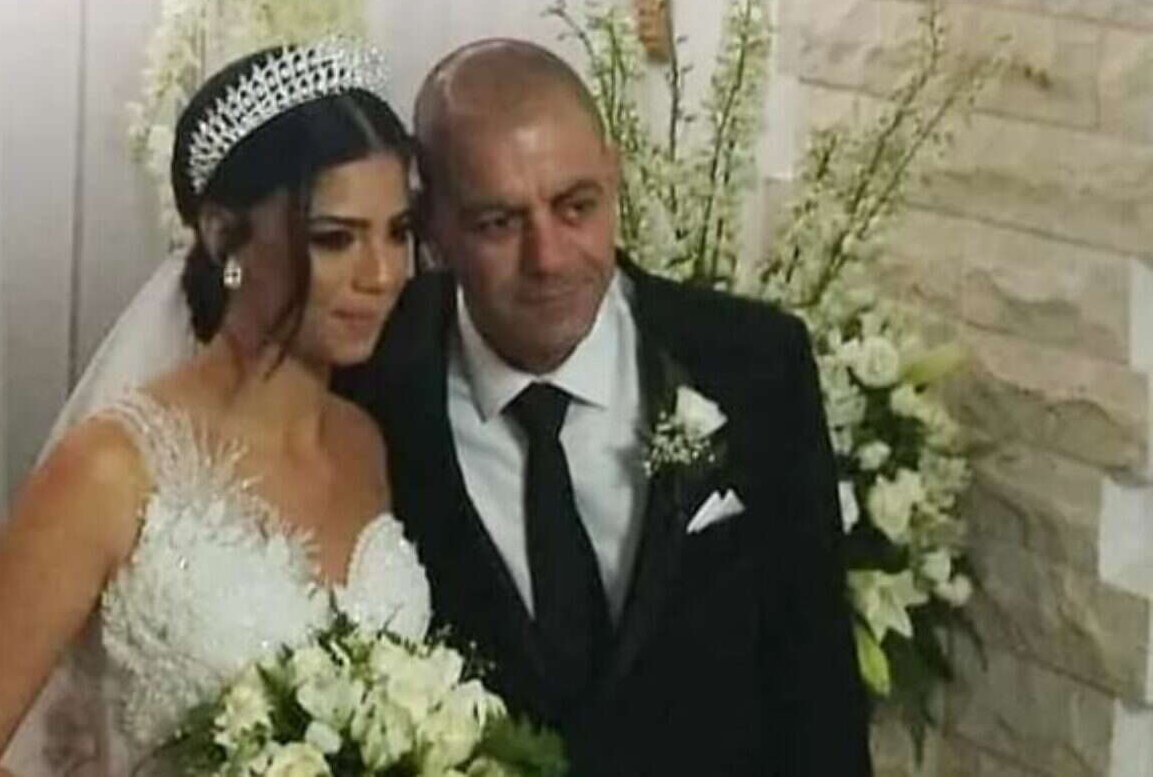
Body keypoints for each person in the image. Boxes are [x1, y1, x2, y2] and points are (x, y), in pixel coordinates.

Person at [0, 38, 431, 776]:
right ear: (223, 234)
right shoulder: (111, 470)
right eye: (334, 238)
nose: (383, 273)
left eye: (399, 232)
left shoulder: (365, 444)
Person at [337, 39, 873, 775]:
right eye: (499, 223)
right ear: (432, 228)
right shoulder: (370, 388)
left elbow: (817, 686)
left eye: (576, 207)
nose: (549, 257)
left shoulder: (753, 364)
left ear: (614, 177)